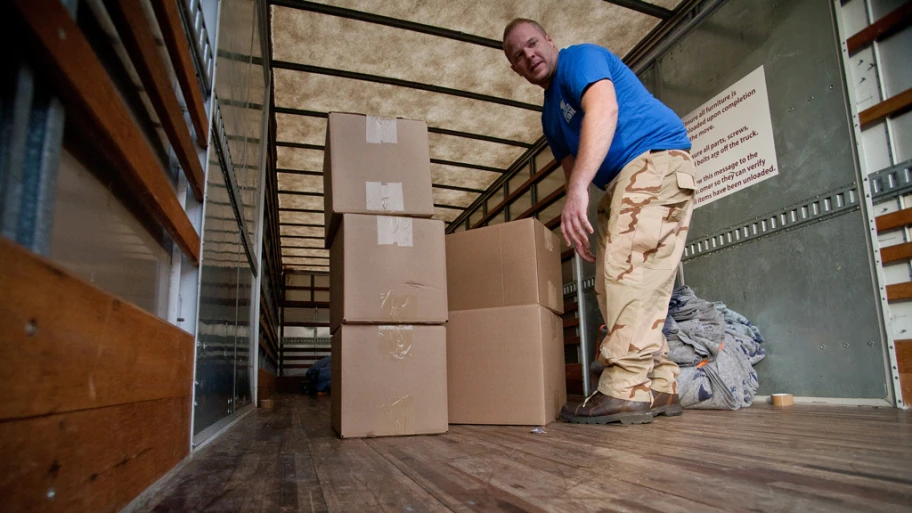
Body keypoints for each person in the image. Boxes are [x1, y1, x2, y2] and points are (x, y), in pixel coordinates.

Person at [503, 19, 696, 425]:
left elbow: (604, 109)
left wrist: (576, 195)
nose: (529, 55)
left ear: (550, 41)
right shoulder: (550, 117)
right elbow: (575, 170)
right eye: (518, 55)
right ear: (515, 70)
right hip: (625, 180)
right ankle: (659, 384)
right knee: (623, 284)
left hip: (652, 160)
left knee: (626, 275)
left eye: (533, 44)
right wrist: (583, 215)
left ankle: (624, 390)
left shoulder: (579, 59)